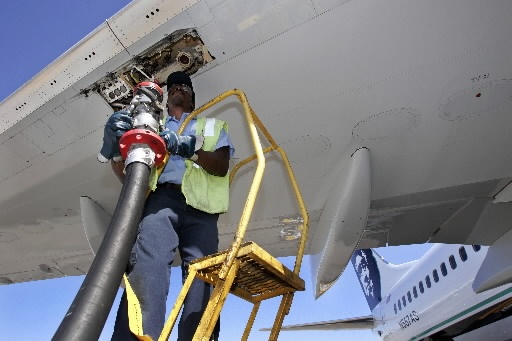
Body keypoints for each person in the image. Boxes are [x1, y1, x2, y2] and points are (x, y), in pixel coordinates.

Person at [100, 71, 234, 340]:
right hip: (161, 200)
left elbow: (221, 166)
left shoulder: (211, 126)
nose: (179, 89)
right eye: (173, 86)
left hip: (202, 209)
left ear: (193, 98)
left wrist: (189, 149)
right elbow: (129, 177)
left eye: (185, 86)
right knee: (147, 269)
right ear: (166, 96)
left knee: (204, 279)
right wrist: (115, 150)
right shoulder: (152, 126)